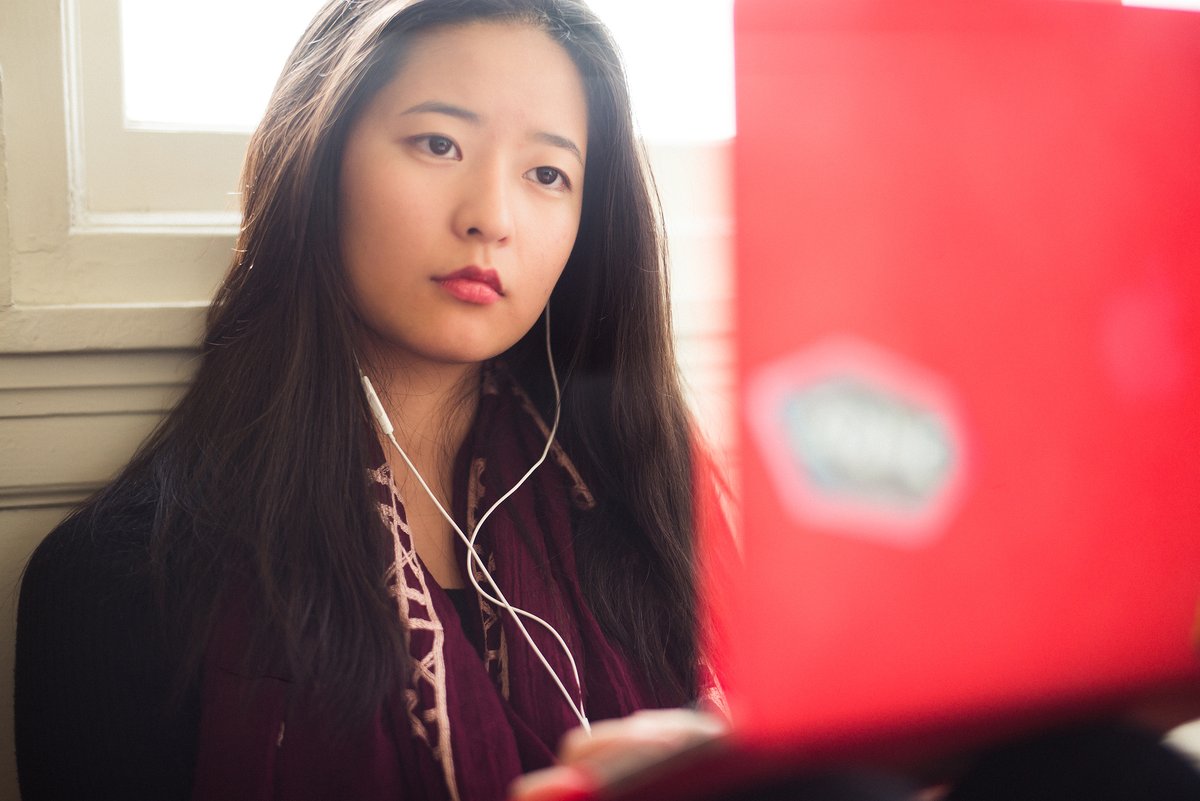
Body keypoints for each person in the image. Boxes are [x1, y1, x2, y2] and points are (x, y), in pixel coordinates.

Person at [14, 1, 728, 799]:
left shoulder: (653, 509)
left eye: (547, 173)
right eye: (438, 143)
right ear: (316, 159)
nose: (490, 217)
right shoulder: (121, 586)